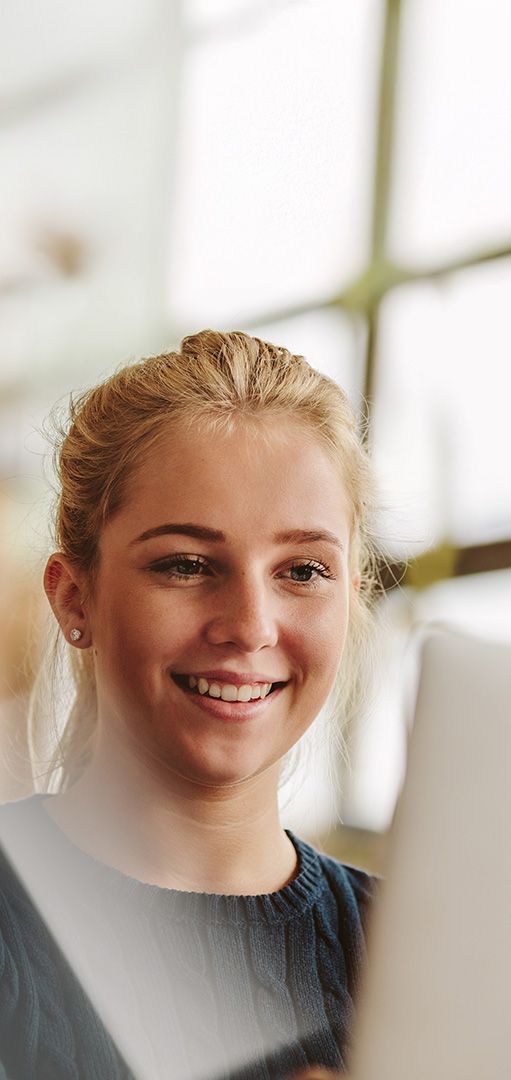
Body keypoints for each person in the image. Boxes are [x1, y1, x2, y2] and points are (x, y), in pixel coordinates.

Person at [0, 330, 379, 1080]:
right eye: (185, 564)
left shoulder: (419, 957)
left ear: (353, 598)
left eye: (302, 570)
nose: (249, 625)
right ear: (75, 596)